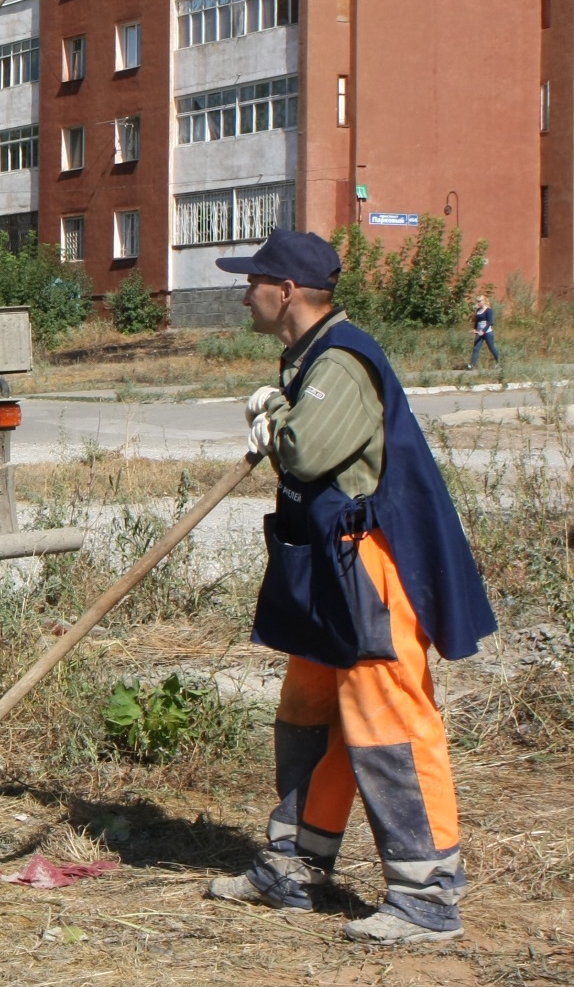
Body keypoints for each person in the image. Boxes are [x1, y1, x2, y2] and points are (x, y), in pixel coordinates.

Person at [206, 230, 497, 945]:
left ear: (289, 292)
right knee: (310, 709)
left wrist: (271, 415)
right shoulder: (311, 357)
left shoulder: (341, 359)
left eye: (254, 283)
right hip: (326, 569)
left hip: (369, 568)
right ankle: (297, 862)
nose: (245, 294)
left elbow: (306, 453)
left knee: (388, 719)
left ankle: (427, 894)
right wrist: (280, 403)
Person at [467, 294, 499, 369]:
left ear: (484, 302)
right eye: (477, 301)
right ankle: (471, 365)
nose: (478, 303)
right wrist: (475, 329)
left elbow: (490, 322)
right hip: (479, 332)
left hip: (487, 333)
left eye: (479, 301)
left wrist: (483, 331)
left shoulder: (488, 310)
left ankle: (499, 362)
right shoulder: (478, 310)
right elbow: (476, 321)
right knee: (476, 348)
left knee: (491, 347)